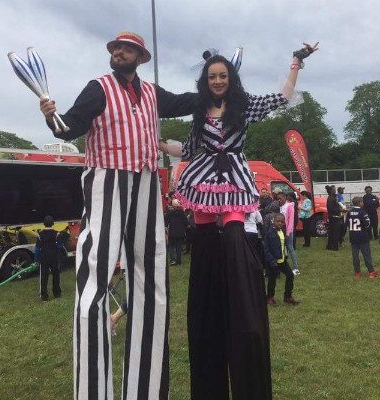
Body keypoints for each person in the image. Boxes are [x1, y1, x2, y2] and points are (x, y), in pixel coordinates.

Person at [40, 32, 198, 400]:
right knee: (95, 273)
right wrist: (52, 119)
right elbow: (71, 127)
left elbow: (186, 101)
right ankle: (93, 391)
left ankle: (147, 388)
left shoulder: (153, 93)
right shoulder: (98, 88)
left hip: (145, 181)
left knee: (152, 273)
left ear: (140, 57)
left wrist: (215, 88)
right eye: (116, 48)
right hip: (106, 179)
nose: (119, 52)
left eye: (127, 49)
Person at [160, 42, 318, 400]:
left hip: (233, 176)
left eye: (223, 75)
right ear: (206, 80)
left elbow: (283, 97)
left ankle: (240, 298)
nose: (217, 81)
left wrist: (296, 62)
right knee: (203, 241)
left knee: (234, 231)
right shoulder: (199, 111)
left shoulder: (244, 106)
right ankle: (209, 301)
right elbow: (187, 149)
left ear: (231, 79)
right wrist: (156, 145)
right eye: (212, 76)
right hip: (203, 178)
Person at [264, 213, 299, 305]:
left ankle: (287, 296)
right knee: (272, 280)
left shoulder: (282, 232)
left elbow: (282, 246)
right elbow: (266, 249)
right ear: (273, 221)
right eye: (278, 221)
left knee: (290, 275)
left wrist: (285, 255)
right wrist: (272, 260)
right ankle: (270, 297)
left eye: (282, 222)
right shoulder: (270, 233)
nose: (280, 223)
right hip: (273, 261)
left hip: (282, 260)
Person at [345, 197, 379, 279]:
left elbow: (346, 224)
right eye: (362, 202)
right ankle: (371, 272)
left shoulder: (349, 212)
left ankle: (357, 273)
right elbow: (367, 224)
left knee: (355, 256)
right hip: (363, 236)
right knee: (366, 254)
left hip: (353, 236)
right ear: (360, 203)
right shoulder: (362, 212)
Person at [35, 215, 61, 301]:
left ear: (44, 224)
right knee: (56, 276)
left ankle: (44, 296)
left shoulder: (40, 235)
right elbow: (59, 246)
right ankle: (57, 294)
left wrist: (37, 259)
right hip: (54, 257)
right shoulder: (57, 233)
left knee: (44, 277)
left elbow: (37, 248)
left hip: (44, 258)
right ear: (53, 223)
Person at [278, 192, 300, 275]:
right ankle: (283, 267)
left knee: (290, 248)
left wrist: (287, 233)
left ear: (285, 198)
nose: (279, 200)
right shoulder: (280, 206)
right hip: (281, 231)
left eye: (280, 198)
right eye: (278, 198)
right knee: (282, 249)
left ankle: (296, 267)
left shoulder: (289, 206)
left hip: (288, 231)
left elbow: (291, 221)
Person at [164, 199, 189, 265]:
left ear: (173, 205)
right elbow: (186, 223)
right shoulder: (182, 213)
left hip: (172, 233)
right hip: (180, 233)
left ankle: (172, 260)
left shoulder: (170, 213)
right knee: (178, 247)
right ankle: (178, 261)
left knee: (171, 246)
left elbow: (166, 223)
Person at [326, 185, 342, 251]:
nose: (335, 190)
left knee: (332, 232)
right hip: (333, 217)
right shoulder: (330, 198)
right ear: (331, 191)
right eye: (334, 189)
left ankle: (330, 246)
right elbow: (331, 209)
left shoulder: (334, 197)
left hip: (334, 216)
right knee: (335, 232)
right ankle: (335, 247)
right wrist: (340, 210)